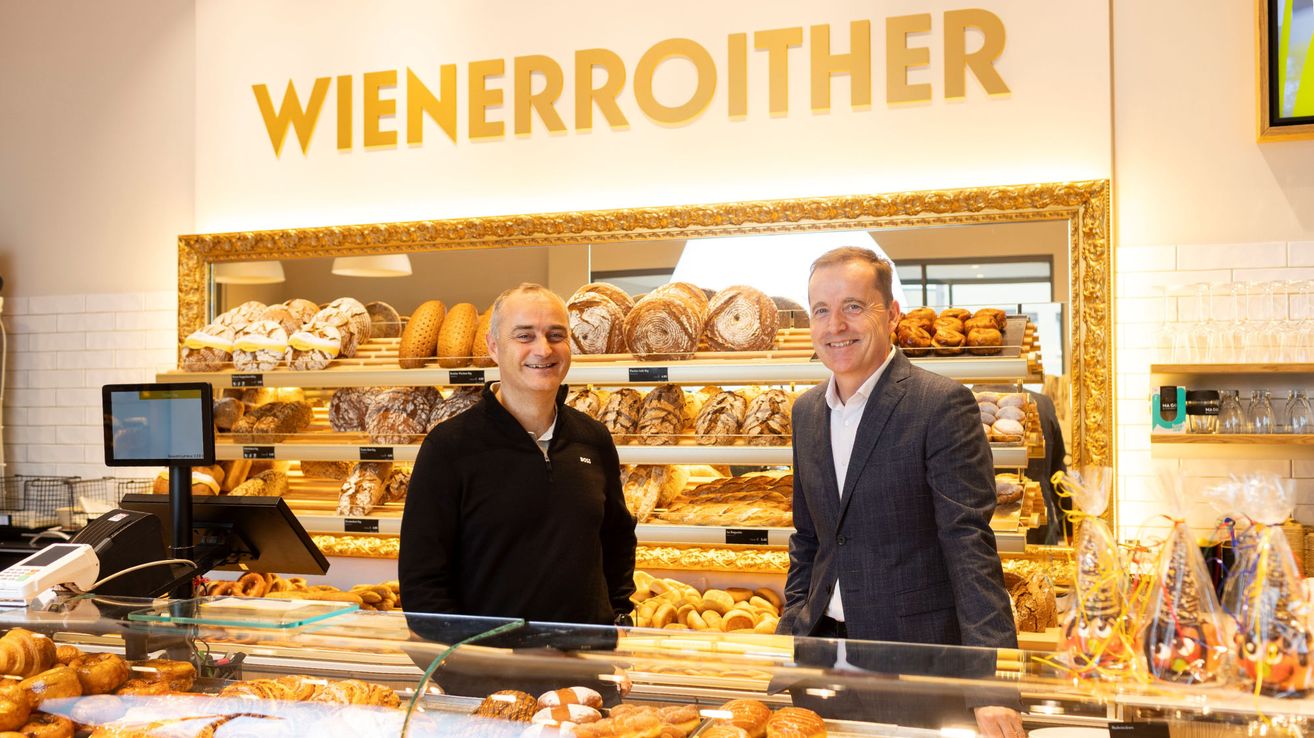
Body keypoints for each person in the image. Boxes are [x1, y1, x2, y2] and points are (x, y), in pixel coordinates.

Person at [779, 247, 1023, 738]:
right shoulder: (807, 412)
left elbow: (969, 546)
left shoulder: (941, 404)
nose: (835, 326)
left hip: (914, 662)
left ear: (890, 314)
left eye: (853, 306)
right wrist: (791, 628)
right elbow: (809, 538)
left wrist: (992, 687)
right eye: (821, 311)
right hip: (821, 660)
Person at [399, 283, 637, 626]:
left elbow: (617, 539)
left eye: (556, 335)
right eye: (524, 336)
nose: (543, 349)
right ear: (494, 347)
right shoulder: (450, 448)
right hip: (491, 667)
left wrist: (615, 620)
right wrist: (469, 665)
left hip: (585, 664)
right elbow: (422, 584)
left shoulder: (592, 438)